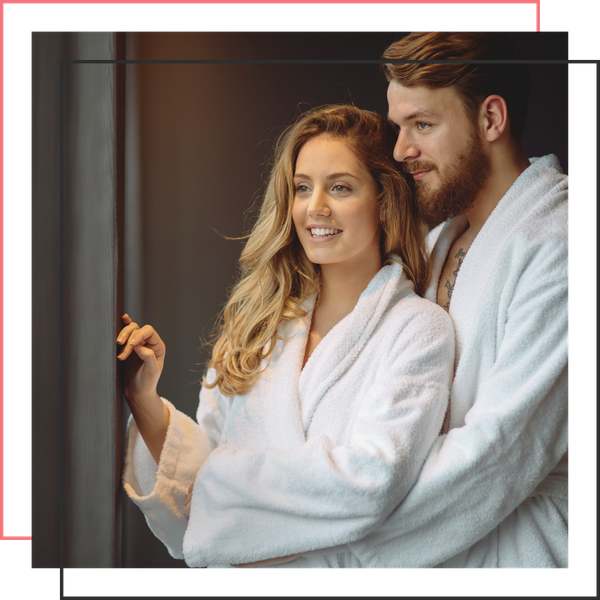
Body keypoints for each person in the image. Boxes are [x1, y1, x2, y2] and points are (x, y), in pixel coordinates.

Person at [119, 104, 456, 569]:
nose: (315, 206)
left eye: (340, 187)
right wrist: (143, 399)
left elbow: (374, 481)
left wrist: (216, 489)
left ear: (384, 201)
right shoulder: (257, 327)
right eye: (302, 188)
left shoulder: (418, 329)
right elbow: (191, 511)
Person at [345, 30, 569, 569]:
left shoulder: (558, 246)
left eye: (422, 125)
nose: (401, 151)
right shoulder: (433, 245)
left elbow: (499, 454)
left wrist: (336, 550)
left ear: (491, 119)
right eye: (400, 127)